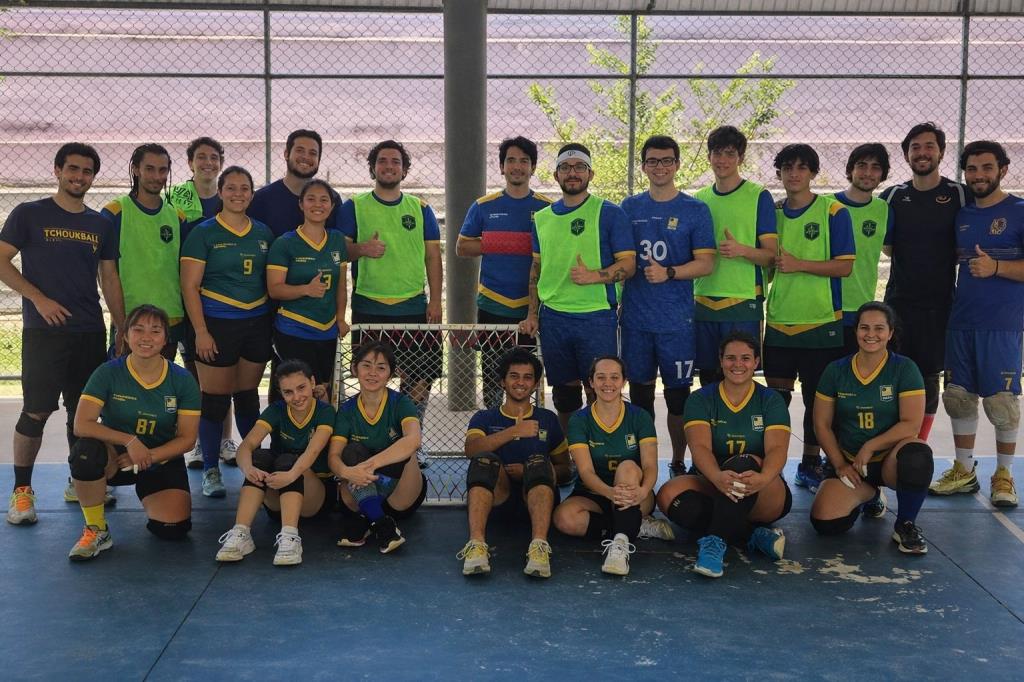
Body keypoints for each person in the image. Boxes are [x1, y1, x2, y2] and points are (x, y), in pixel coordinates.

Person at [2, 143, 125, 526]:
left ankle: (80, 480)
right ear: (57, 170)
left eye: (87, 171)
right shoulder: (29, 213)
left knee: (83, 413)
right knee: (36, 411)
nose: (79, 177)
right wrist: (38, 299)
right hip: (45, 332)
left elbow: (109, 277)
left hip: (89, 330)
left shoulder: (100, 224)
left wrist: (120, 326)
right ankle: (22, 491)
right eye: (72, 169)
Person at [66, 304, 200, 560]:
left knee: (173, 530)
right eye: (138, 330)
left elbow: (187, 438)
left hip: (160, 458)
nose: (146, 337)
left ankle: (150, 491)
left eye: (155, 331)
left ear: (165, 339)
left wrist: (148, 454)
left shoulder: (182, 379)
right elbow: (82, 424)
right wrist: (130, 441)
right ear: (125, 336)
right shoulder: (108, 372)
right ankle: (97, 529)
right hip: (116, 458)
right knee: (85, 453)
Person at [932, 141, 1024, 507]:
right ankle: (964, 470)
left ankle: (1003, 475)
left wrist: (997, 267)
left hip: (1001, 324)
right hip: (961, 321)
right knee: (958, 399)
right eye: (972, 169)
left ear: (1002, 169)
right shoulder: (962, 216)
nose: (979, 175)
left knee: (1002, 403)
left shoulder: (1018, 211)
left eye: (987, 168)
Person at [520, 143, 635, 435]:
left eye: (579, 167)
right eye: (566, 168)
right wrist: (532, 314)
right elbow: (536, 270)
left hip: (596, 317)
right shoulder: (542, 218)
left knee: (601, 389)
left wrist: (593, 276)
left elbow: (629, 264)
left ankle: (603, 450)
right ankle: (571, 452)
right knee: (564, 394)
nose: (573, 173)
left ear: (590, 173)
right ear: (556, 175)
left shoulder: (609, 213)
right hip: (555, 318)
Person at [657, 332, 792, 578]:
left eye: (745, 358)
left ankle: (715, 543)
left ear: (756, 362)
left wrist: (763, 479)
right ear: (720, 361)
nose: (737, 364)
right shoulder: (701, 398)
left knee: (741, 464)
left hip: (761, 487)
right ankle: (751, 535)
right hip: (715, 480)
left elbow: (777, 450)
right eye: (730, 358)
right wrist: (717, 477)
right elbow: (700, 448)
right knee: (668, 496)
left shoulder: (770, 399)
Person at [763, 143, 855, 493]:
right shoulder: (772, 213)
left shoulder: (833, 212)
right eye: (787, 167)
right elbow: (767, 264)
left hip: (820, 322)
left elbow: (845, 266)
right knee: (776, 401)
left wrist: (800, 264)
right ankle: (774, 466)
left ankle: (809, 462)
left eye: (802, 167)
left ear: (813, 173)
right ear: (780, 173)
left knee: (818, 401)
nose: (794, 173)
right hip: (779, 322)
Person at [620, 135, 715, 472]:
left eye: (667, 160)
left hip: (676, 323)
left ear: (677, 164)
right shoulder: (628, 208)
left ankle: (678, 460)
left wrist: (671, 272)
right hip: (636, 321)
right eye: (653, 161)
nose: (660, 167)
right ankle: (646, 463)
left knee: (678, 398)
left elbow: (706, 262)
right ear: (643, 165)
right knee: (641, 397)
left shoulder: (695, 210)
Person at [180, 166, 275, 498]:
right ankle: (210, 469)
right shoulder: (203, 233)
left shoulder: (264, 233)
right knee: (215, 400)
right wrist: (201, 331)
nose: (238, 194)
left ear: (252, 193)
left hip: (256, 322)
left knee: (248, 397)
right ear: (220, 193)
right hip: (217, 323)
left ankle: (252, 464)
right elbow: (189, 286)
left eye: (245, 188)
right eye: (231, 188)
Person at [339, 140, 442, 442]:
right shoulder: (353, 206)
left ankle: (411, 439)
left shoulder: (421, 209)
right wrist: (361, 248)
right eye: (382, 161)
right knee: (371, 378)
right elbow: (339, 252)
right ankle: (374, 438)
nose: (388, 166)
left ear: (405, 170)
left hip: (412, 307)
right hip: (369, 306)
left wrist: (435, 300)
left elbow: (433, 257)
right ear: (372, 167)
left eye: (395, 162)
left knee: (419, 377)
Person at [811, 302, 933, 554]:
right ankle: (869, 495)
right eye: (864, 327)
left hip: (889, 460)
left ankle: (905, 525)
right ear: (855, 331)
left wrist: (871, 445)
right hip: (851, 462)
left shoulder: (904, 368)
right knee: (826, 523)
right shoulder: (836, 370)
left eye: (879, 328)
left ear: (890, 333)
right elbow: (821, 425)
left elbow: (912, 424)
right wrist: (839, 464)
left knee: (918, 454)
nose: (871, 334)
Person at [882, 122, 972, 443]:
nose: (922, 153)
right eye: (915, 147)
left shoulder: (960, 194)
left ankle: (916, 447)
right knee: (894, 374)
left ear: (942, 152)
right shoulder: (892, 195)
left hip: (940, 306)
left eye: (929, 146)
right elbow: (883, 244)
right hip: (898, 304)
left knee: (928, 377)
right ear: (907, 154)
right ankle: (892, 445)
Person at [457, 136, 551, 409]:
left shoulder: (547, 209)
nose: (517, 166)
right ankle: (496, 433)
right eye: (511, 160)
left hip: (530, 308)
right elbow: (462, 247)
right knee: (495, 377)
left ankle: (526, 437)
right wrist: (509, 241)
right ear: (501, 167)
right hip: (493, 303)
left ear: (533, 168)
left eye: (524, 161)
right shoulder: (484, 205)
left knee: (528, 377)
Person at [457, 348, 570, 578]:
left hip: (539, 501)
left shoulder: (548, 419)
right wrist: (513, 432)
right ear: (502, 382)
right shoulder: (485, 417)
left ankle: (539, 548)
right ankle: (476, 546)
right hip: (499, 500)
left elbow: (566, 470)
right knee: (484, 461)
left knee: (538, 462)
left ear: (536, 384)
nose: (521, 382)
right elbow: (471, 450)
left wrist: (531, 471)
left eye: (527, 377)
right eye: (514, 376)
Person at [552, 356, 669, 577]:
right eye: (601, 377)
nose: (608, 383)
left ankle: (620, 545)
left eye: (615, 377)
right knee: (563, 519)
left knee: (627, 466)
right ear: (591, 382)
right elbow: (585, 472)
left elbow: (650, 465)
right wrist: (609, 492)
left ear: (624, 381)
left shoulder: (639, 416)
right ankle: (636, 525)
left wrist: (643, 491)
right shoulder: (579, 420)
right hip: (595, 493)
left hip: (635, 494)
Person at [216, 359, 335, 566]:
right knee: (260, 457)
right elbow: (247, 445)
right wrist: (248, 468)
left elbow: (314, 449)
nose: (297, 397)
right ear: (281, 393)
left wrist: (291, 474)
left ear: (312, 381)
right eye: (288, 392)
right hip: (279, 495)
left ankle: (290, 537)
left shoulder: (325, 412)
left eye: (301, 388)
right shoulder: (277, 410)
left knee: (288, 460)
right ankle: (241, 533)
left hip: (315, 497)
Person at [167, 136, 238, 469]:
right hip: (189, 296)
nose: (208, 162)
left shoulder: (230, 199)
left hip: (223, 300)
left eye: (213, 157)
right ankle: (198, 441)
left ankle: (226, 438)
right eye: (201, 157)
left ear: (221, 162)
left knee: (225, 373)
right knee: (196, 373)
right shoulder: (177, 198)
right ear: (190, 162)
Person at [693, 126, 777, 399]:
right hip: (703, 299)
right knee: (707, 379)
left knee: (740, 379)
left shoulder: (758, 196)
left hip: (742, 301)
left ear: (740, 157)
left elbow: (771, 255)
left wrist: (741, 249)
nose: (723, 160)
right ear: (709, 156)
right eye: (717, 153)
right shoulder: (699, 199)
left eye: (730, 153)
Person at [328, 341, 427, 553]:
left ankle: (367, 517)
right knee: (350, 452)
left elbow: (414, 440)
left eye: (381, 367)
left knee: (401, 447)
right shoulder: (346, 410)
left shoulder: (400, 403)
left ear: (391, 374)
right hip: (360, 487)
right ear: (355, 369)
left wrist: (369, 466)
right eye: (366, 365)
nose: (373, 373)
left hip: (401, 493)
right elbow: (333, 457)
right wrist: (347, 471)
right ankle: (381, 524)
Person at [100, 144, 187, 361]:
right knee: (126, 390)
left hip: (170, 319)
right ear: (136, 169)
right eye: (149, 169)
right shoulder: (115, 212)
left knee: (161, 388)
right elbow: (105, 275)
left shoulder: (177, 216)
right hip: (130, 321)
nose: (157, 176)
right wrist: (121, 325)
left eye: (162, 170)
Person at [267, 179, 349, 401]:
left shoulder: (336, 240)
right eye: (311, 199)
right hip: (294, 330)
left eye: (324, 200)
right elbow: (275, 290)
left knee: (322, 393)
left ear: (332, 206)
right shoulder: (285, 243)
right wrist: (306, 289)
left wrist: (340, 318)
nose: (317, 204)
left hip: (327, 331)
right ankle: (286, 436)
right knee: (297, 394)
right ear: (301, 204)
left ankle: (319, 436)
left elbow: (341, 286)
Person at [830, 144, 894, 355]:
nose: (868, 172)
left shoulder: (884, 210)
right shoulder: (825, 205)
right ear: (850, 170)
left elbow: (889, 249)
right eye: (861, 165)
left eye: (875, 167)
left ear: (883, 174)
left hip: (860, 308)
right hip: (826, 307)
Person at [248, 129, 342, 238]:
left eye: (313, 153)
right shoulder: (261, 199)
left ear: (319, 160)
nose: (306, 157)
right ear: (286, 154)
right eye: (300, 150)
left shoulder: (331, 199)